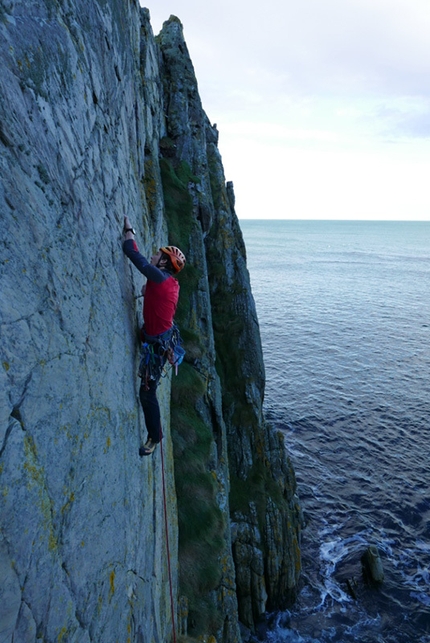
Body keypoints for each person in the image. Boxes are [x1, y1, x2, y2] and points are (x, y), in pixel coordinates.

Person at [122, 216, 186, 456]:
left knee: (146, 392)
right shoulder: (168, 282)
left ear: (163, 263)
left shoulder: (158, 277)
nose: (153, 255)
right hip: (159, 336)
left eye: (157, 255)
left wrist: (130, 231)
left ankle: (154, 437)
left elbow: (131, 252)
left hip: (157, 344)